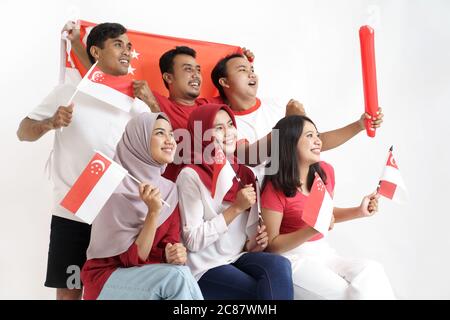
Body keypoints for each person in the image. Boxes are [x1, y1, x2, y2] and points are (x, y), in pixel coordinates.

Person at [16, 22, 150, 300]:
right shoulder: (69, 92)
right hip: (73, 212)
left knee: (117, 290)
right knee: (70, 290)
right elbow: (23, 132)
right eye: (118, 44)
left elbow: (167, 145)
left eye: (129, 46)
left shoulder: (139, 106)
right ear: (96, 52)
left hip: (118, 213)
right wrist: (51, 123)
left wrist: (152, 102)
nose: (126, 50)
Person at [260, 115, 396, 300]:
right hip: (292, 257)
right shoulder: (274, 187)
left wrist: (359, 211)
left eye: (317, 134)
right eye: (309, 136)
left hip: (323, 252)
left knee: (372, 272)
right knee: (342, 293)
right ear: (290, 143)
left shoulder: (325, 173)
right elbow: (272, 246)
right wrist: (312, 229)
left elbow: (325, 214)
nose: (318, 140)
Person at [176, 104, 294, 299]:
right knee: (257, 291)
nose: (228, 132)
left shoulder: (245, 173)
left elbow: (246, 240)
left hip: (236, 258)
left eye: (230, 124)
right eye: (219, 128)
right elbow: (193, 241)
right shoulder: (191, 175)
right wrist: (236, 208)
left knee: (281, 265)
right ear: (201, 133)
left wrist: (255, 243)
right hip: (205, 266)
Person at [81, 112, 203, 300]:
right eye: (160, 133)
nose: (170, 140)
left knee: (182, 272)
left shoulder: (169, 190)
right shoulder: (113, 189)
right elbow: (133, 260)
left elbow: (168, 241)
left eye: (171, 134)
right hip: (106, 279)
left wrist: (171, 254)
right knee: (177, 277)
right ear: (139, 140)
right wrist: (153, 213)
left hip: (147, 278)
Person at [211, 53, 384, 181]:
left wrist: (359, 125)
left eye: (252, 69)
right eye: (243, 70)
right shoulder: (223, 120)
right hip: (260, 207)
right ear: (224, 82)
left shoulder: (279, 105)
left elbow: (315, 142)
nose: (252, 74)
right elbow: (247, 157)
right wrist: (287, 125)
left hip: (295, 194)